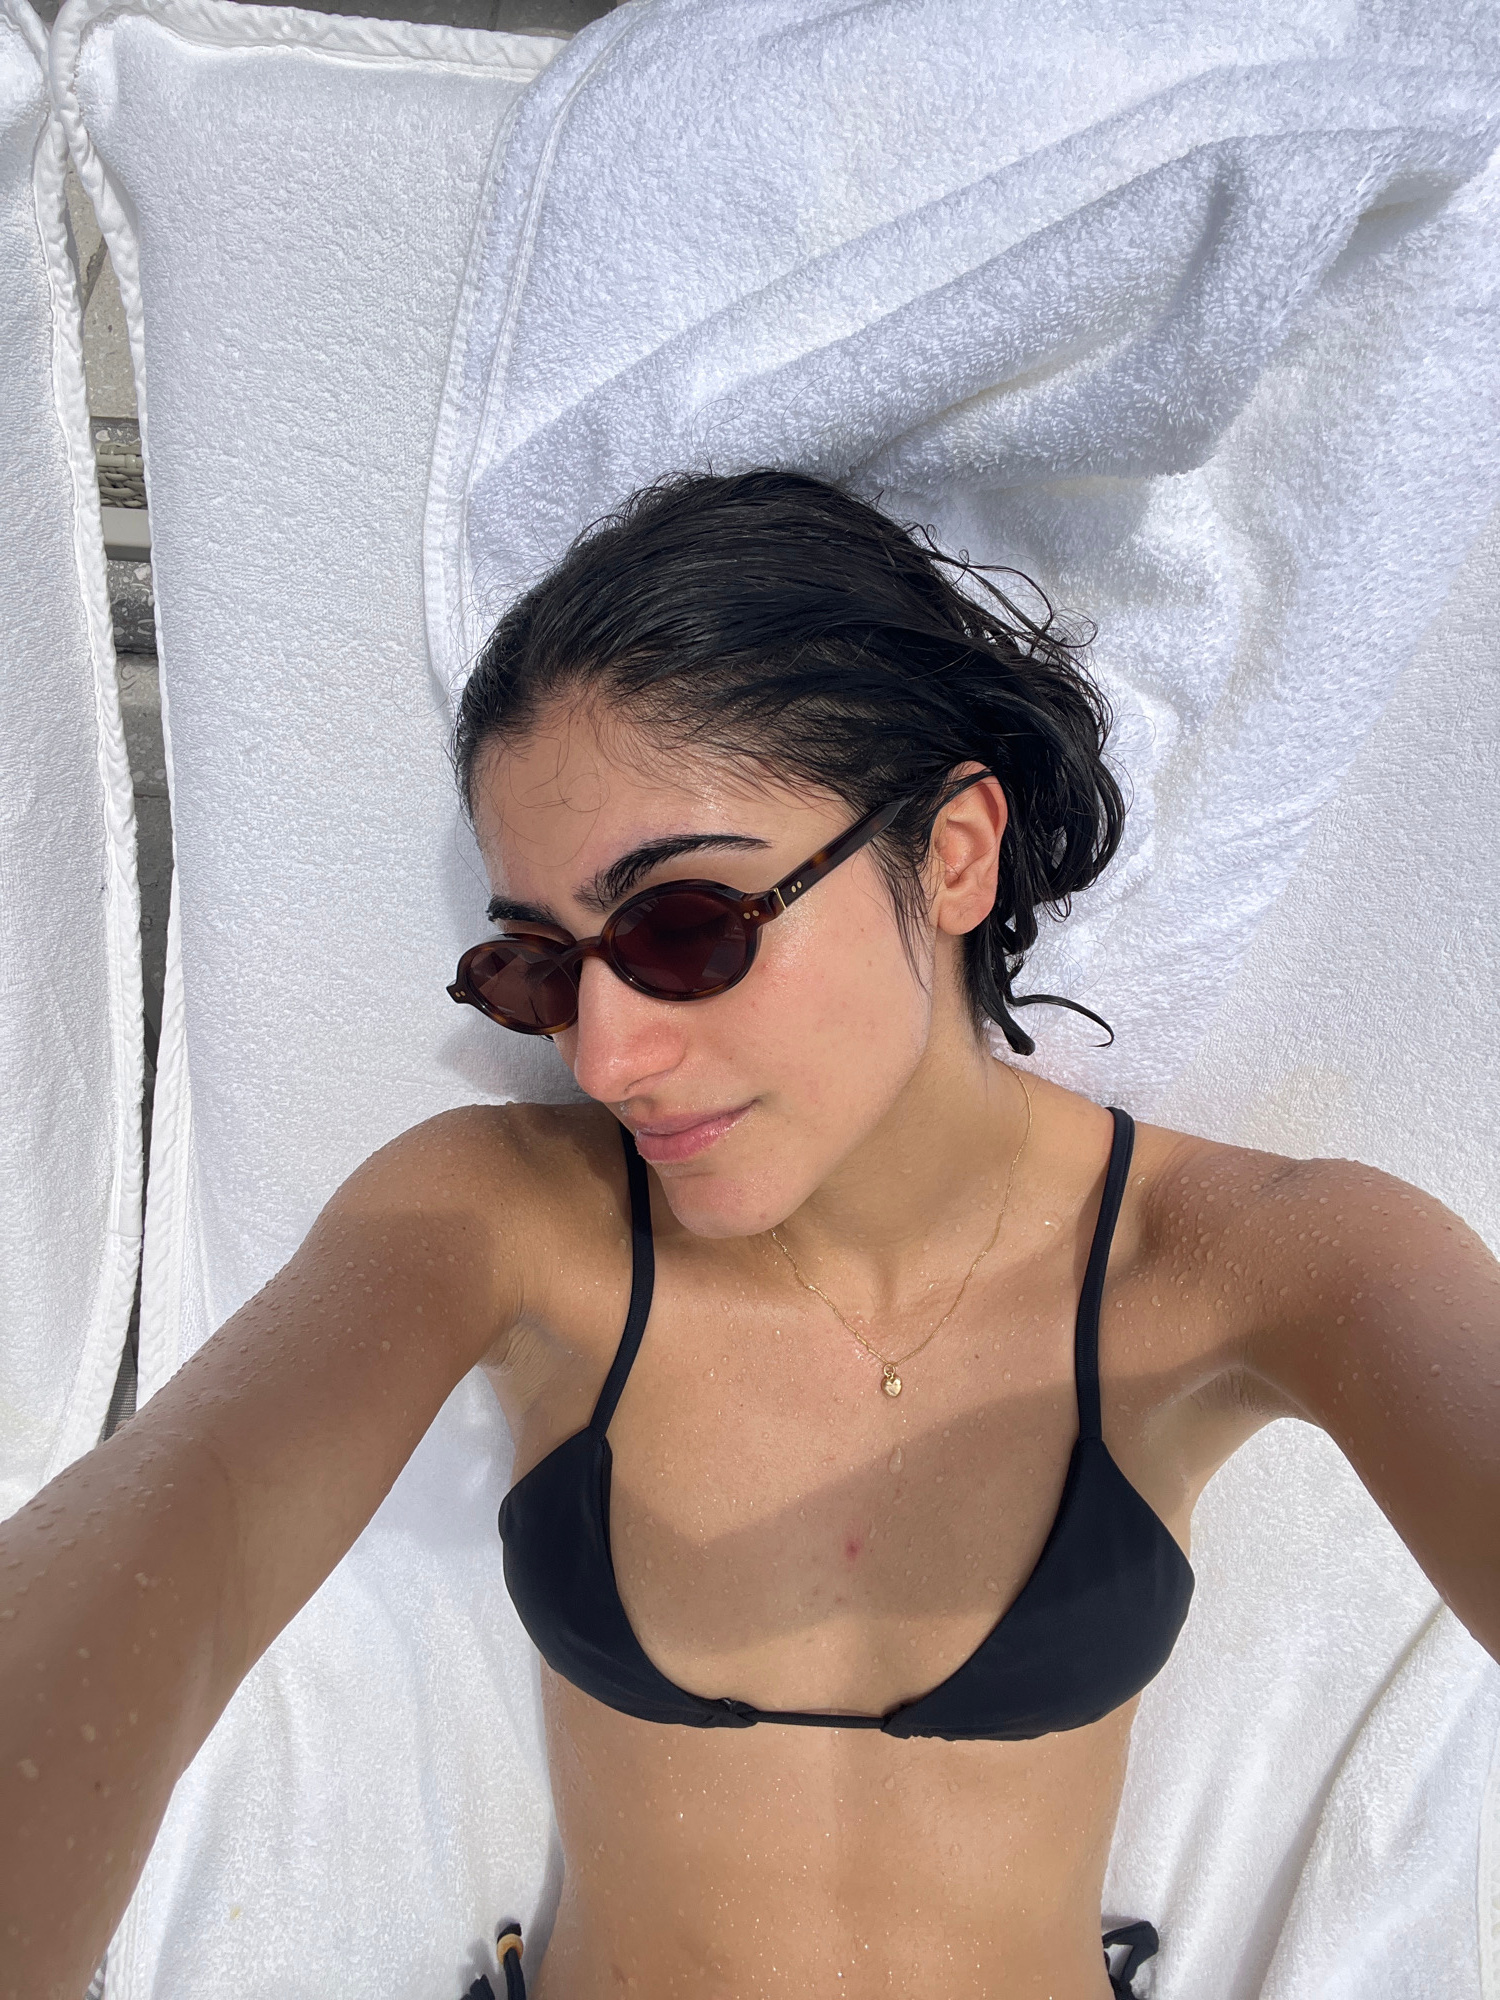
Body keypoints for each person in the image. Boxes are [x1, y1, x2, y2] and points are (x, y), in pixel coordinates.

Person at [2, 468, 1496, 2000]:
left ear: (956, 853)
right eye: (538, 970)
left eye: (684, 928)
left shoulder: (1256, 1265)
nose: (602, 1056)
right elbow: (190, 1521)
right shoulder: (507, 1222)